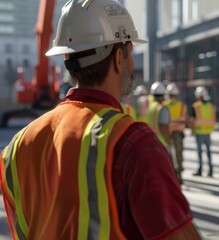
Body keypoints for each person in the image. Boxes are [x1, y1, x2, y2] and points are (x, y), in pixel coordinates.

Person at [0, 1, 201, 239]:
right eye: (130, 54)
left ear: (66, 57)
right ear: (119, 57)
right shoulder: (133, 143)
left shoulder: (16, 147)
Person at [189, 86, 216, 177]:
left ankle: (200, 170)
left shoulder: (195, 106)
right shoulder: (211, 106)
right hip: (208, 132)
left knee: (200, 152)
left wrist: (192, 130)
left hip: (199, 132)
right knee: (208, 152)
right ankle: (210, 170)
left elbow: (192, 120)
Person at [164, 82, 188, 184]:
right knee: (178, 155)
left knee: (168, 155)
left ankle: (171, 176)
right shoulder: (182, 106)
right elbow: (185, 120)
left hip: (166, 134)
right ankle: (179, 176)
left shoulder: (164, 105)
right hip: (178, 133)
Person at [147, 81, 171, 147]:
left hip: (151, 141)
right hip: (161, 143)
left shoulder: (151, 107)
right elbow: (164, 127)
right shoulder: (162, 108)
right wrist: (169, 142)